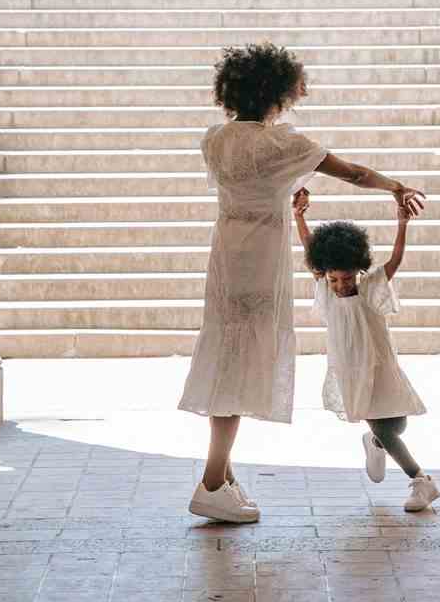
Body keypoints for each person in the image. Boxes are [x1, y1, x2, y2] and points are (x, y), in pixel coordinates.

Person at [178, 41, 425, 524]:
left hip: (226, 256)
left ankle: (223, 480)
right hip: (260, 259)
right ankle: (210, 483)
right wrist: (396, 186)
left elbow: (251, 181)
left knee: (229, 353)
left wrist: (288, 187)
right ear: (279, 92)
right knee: (239, 365)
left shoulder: (215, 139)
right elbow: (352, 173)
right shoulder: (282, 144)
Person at [293, 186, 439, 513]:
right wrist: (299, 217)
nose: (340, 285)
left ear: (357, 271)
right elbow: (308, 250)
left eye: (346, 279)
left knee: (396, 425)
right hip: (351, 370)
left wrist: (402, 222)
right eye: (334, 280)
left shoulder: (371, 287)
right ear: (325, 275)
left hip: (380, 367)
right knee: (385, 429)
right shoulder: (325, 288)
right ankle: (421, 481)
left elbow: (395, 260)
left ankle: (376, 443)